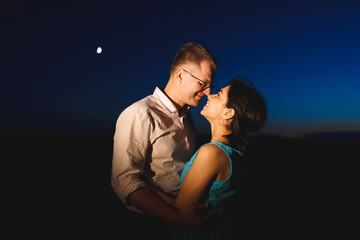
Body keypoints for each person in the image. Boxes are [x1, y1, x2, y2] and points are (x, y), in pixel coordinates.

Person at [111, 42, 218, 236]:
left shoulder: (188, 117)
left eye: (210, 86)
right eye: (203, 83)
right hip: (148, 226)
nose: (208, 92)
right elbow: (124, 182)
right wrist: (178, 218)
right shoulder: (140, 114)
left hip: (183, 221)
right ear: (181, 75)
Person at [147, 78, 267, 239]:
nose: (209, 95)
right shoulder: (233, 153)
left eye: (218, 94)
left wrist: (144, 184)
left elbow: (181, 207)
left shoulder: (212, 152)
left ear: (228, 112)